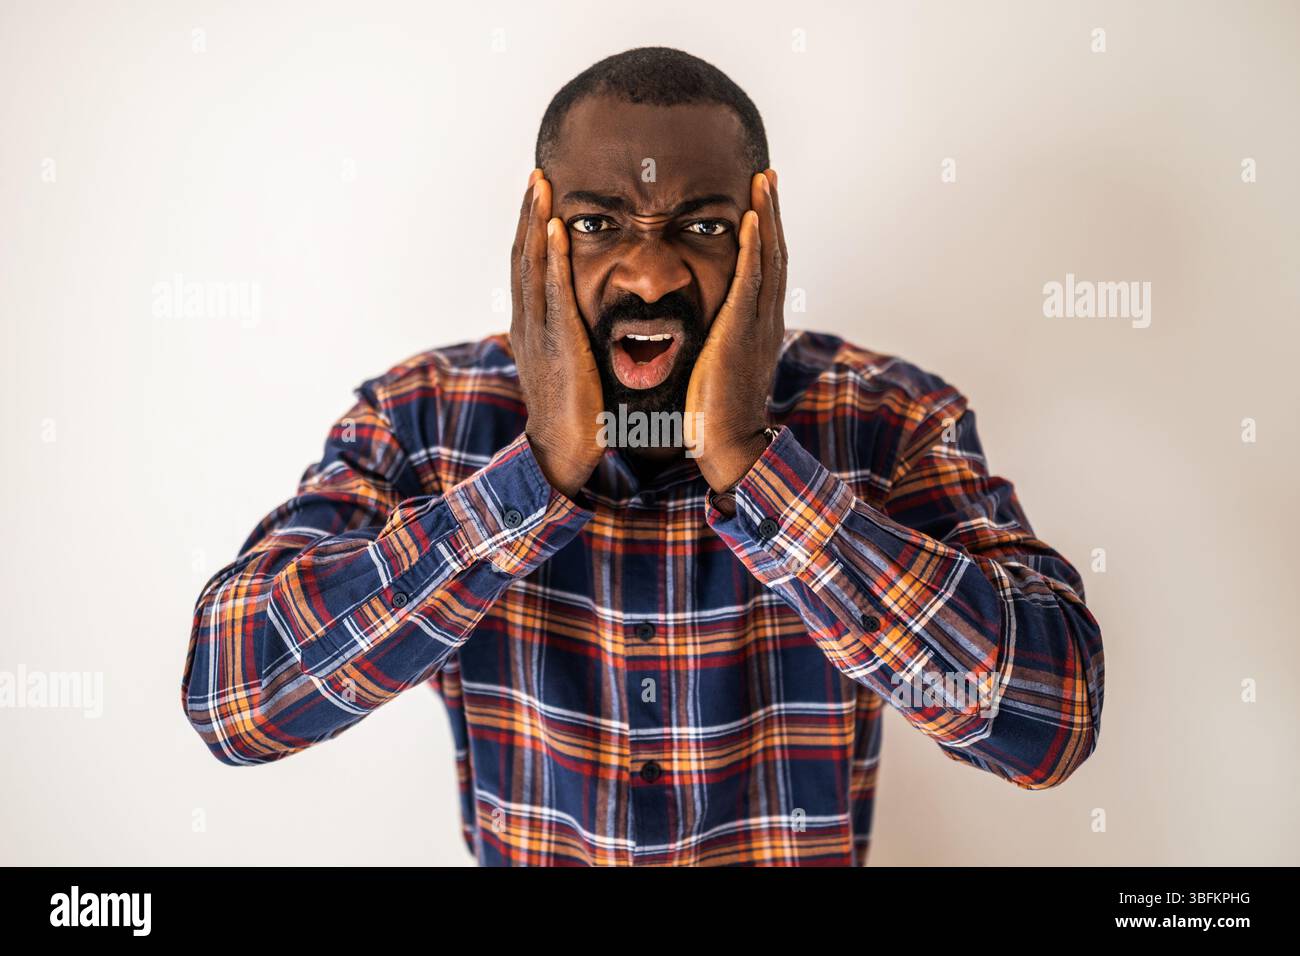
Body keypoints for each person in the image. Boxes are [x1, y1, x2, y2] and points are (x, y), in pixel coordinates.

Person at [182, 46, 1105, 866]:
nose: (651, 275)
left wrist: (752, 461)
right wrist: (532, 473)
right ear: (533, 234)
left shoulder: (888, 417)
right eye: (597, 223)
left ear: (763, 239)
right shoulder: (422, 418)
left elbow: (1049, 723)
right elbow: (234, 697)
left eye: (702, 227)